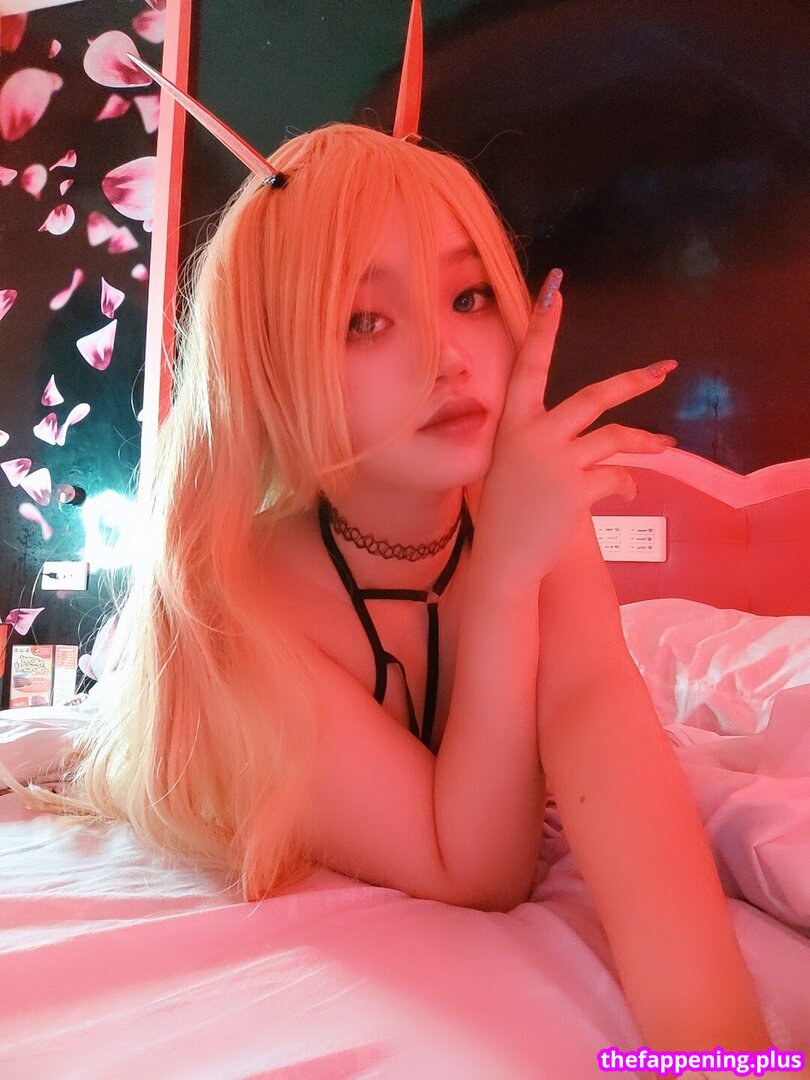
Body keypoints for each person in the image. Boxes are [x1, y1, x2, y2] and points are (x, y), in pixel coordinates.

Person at [0, 6, 799, 1064]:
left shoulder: (528, 514)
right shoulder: (244, 595)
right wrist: (504, 579)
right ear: (274, 364)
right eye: (366, 320)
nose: (447, 358)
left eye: (470, 296)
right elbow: (477, 869)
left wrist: (722, 1053)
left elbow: (609, 741)